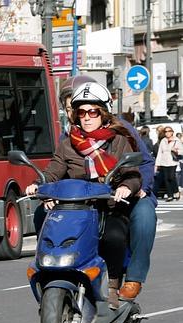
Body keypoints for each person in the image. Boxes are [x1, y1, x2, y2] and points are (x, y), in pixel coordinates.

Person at [35, 75, 157, 303]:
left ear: (103, 111)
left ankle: (129, 278)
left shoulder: (122, 133)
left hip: (119, 198)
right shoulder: (68, 139)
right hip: (80, 205)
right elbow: (55, 168)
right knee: (43, 215)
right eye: (78, 110)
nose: (85, 116)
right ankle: (50, 269)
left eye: (92, 111)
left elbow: (140, 165)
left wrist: (135, 187)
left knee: (139, 220)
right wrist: (43, 188)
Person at [155, 126, 181, 201]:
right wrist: (157, 164)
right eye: (165, 132)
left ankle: (176, 191)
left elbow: (181, 151)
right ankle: (170, 195)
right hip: (164, 161)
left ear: (172, 132)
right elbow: (160, 153)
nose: (167, 133)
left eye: (169, 131)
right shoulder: (163, 140)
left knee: (171, 177)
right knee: (166, 179)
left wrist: (176, 151)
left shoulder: (177, 140)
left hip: (173, 161)